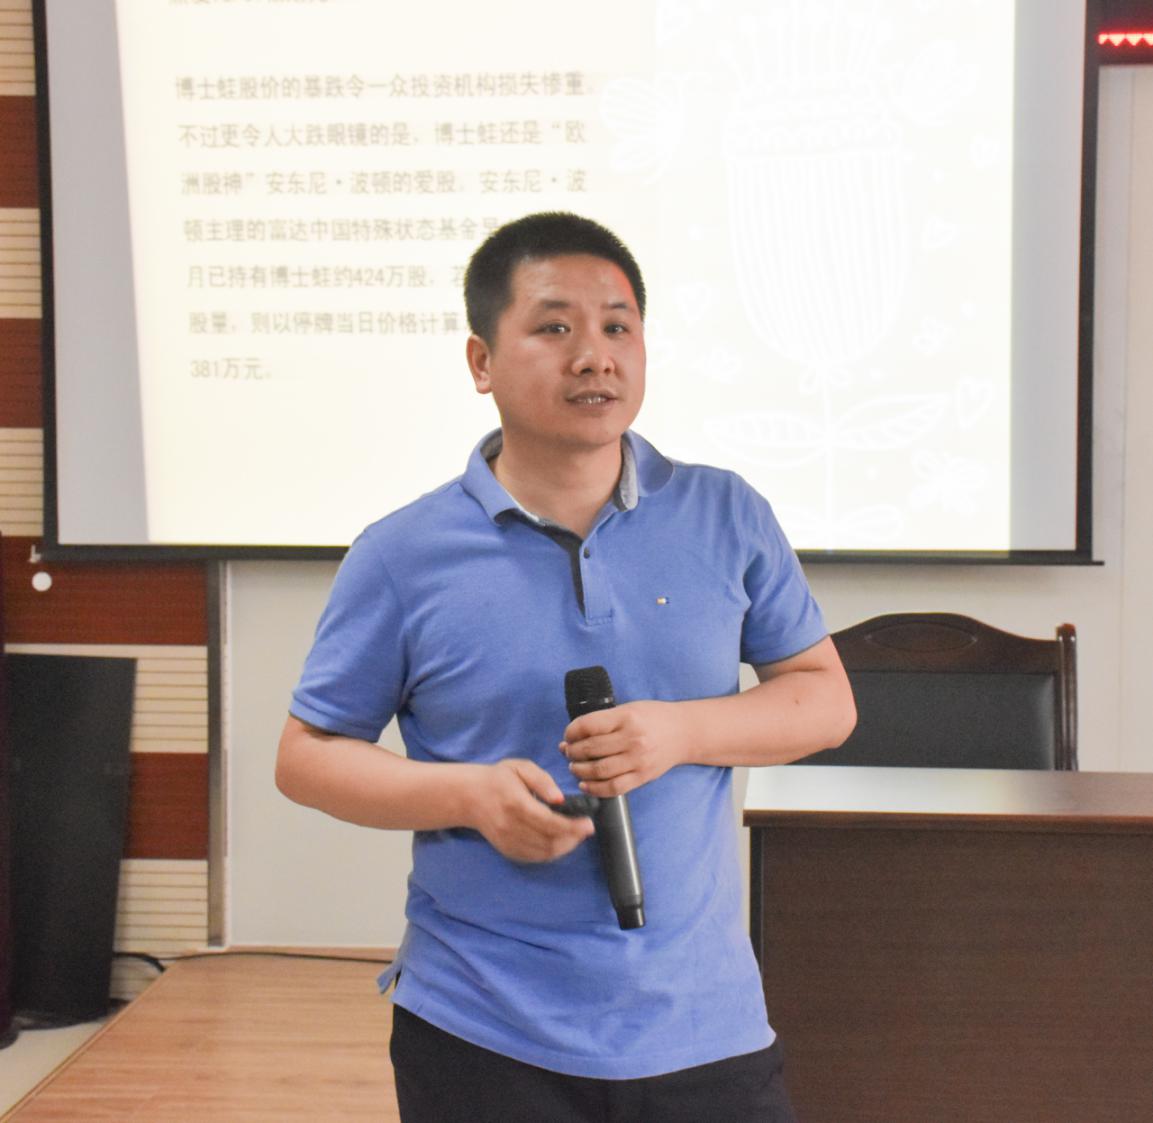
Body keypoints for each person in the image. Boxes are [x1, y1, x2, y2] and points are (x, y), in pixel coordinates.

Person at [275, 211, 857, 1121]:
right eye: (553, 327)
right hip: (483, 1023)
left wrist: (680, 731)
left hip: (703, 1020)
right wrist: (468, 795)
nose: (594, 356)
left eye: (617, 327)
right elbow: (306, 756)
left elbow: (824, 700)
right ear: (480, 361)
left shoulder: (725, 512)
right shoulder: (402, 553)